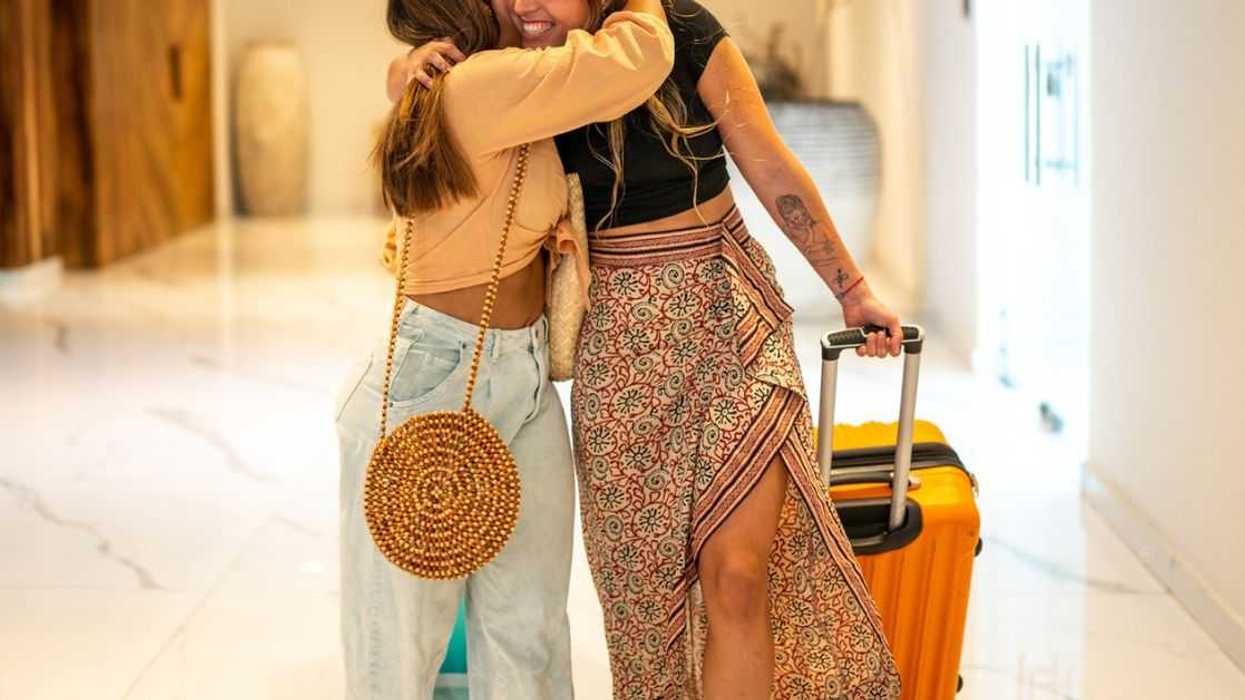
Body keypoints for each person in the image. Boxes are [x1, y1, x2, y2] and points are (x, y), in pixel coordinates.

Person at [388, 1, 903, 697]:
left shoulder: (680, 29)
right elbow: (440, 93)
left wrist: (851, 286)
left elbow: (767, 161)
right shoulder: (529, 63)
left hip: (730, 320)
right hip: (620, 347)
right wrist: (405, 69)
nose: (523, 4)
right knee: (643, 607)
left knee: (738, 578)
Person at [334, 0, 675, 697]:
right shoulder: (483, 82)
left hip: (519, 374)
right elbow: (639, 55)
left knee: (531, 630)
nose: (524, 1)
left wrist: (400, 70)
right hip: (435, 375)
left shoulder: (491, 81)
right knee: (397, 647)